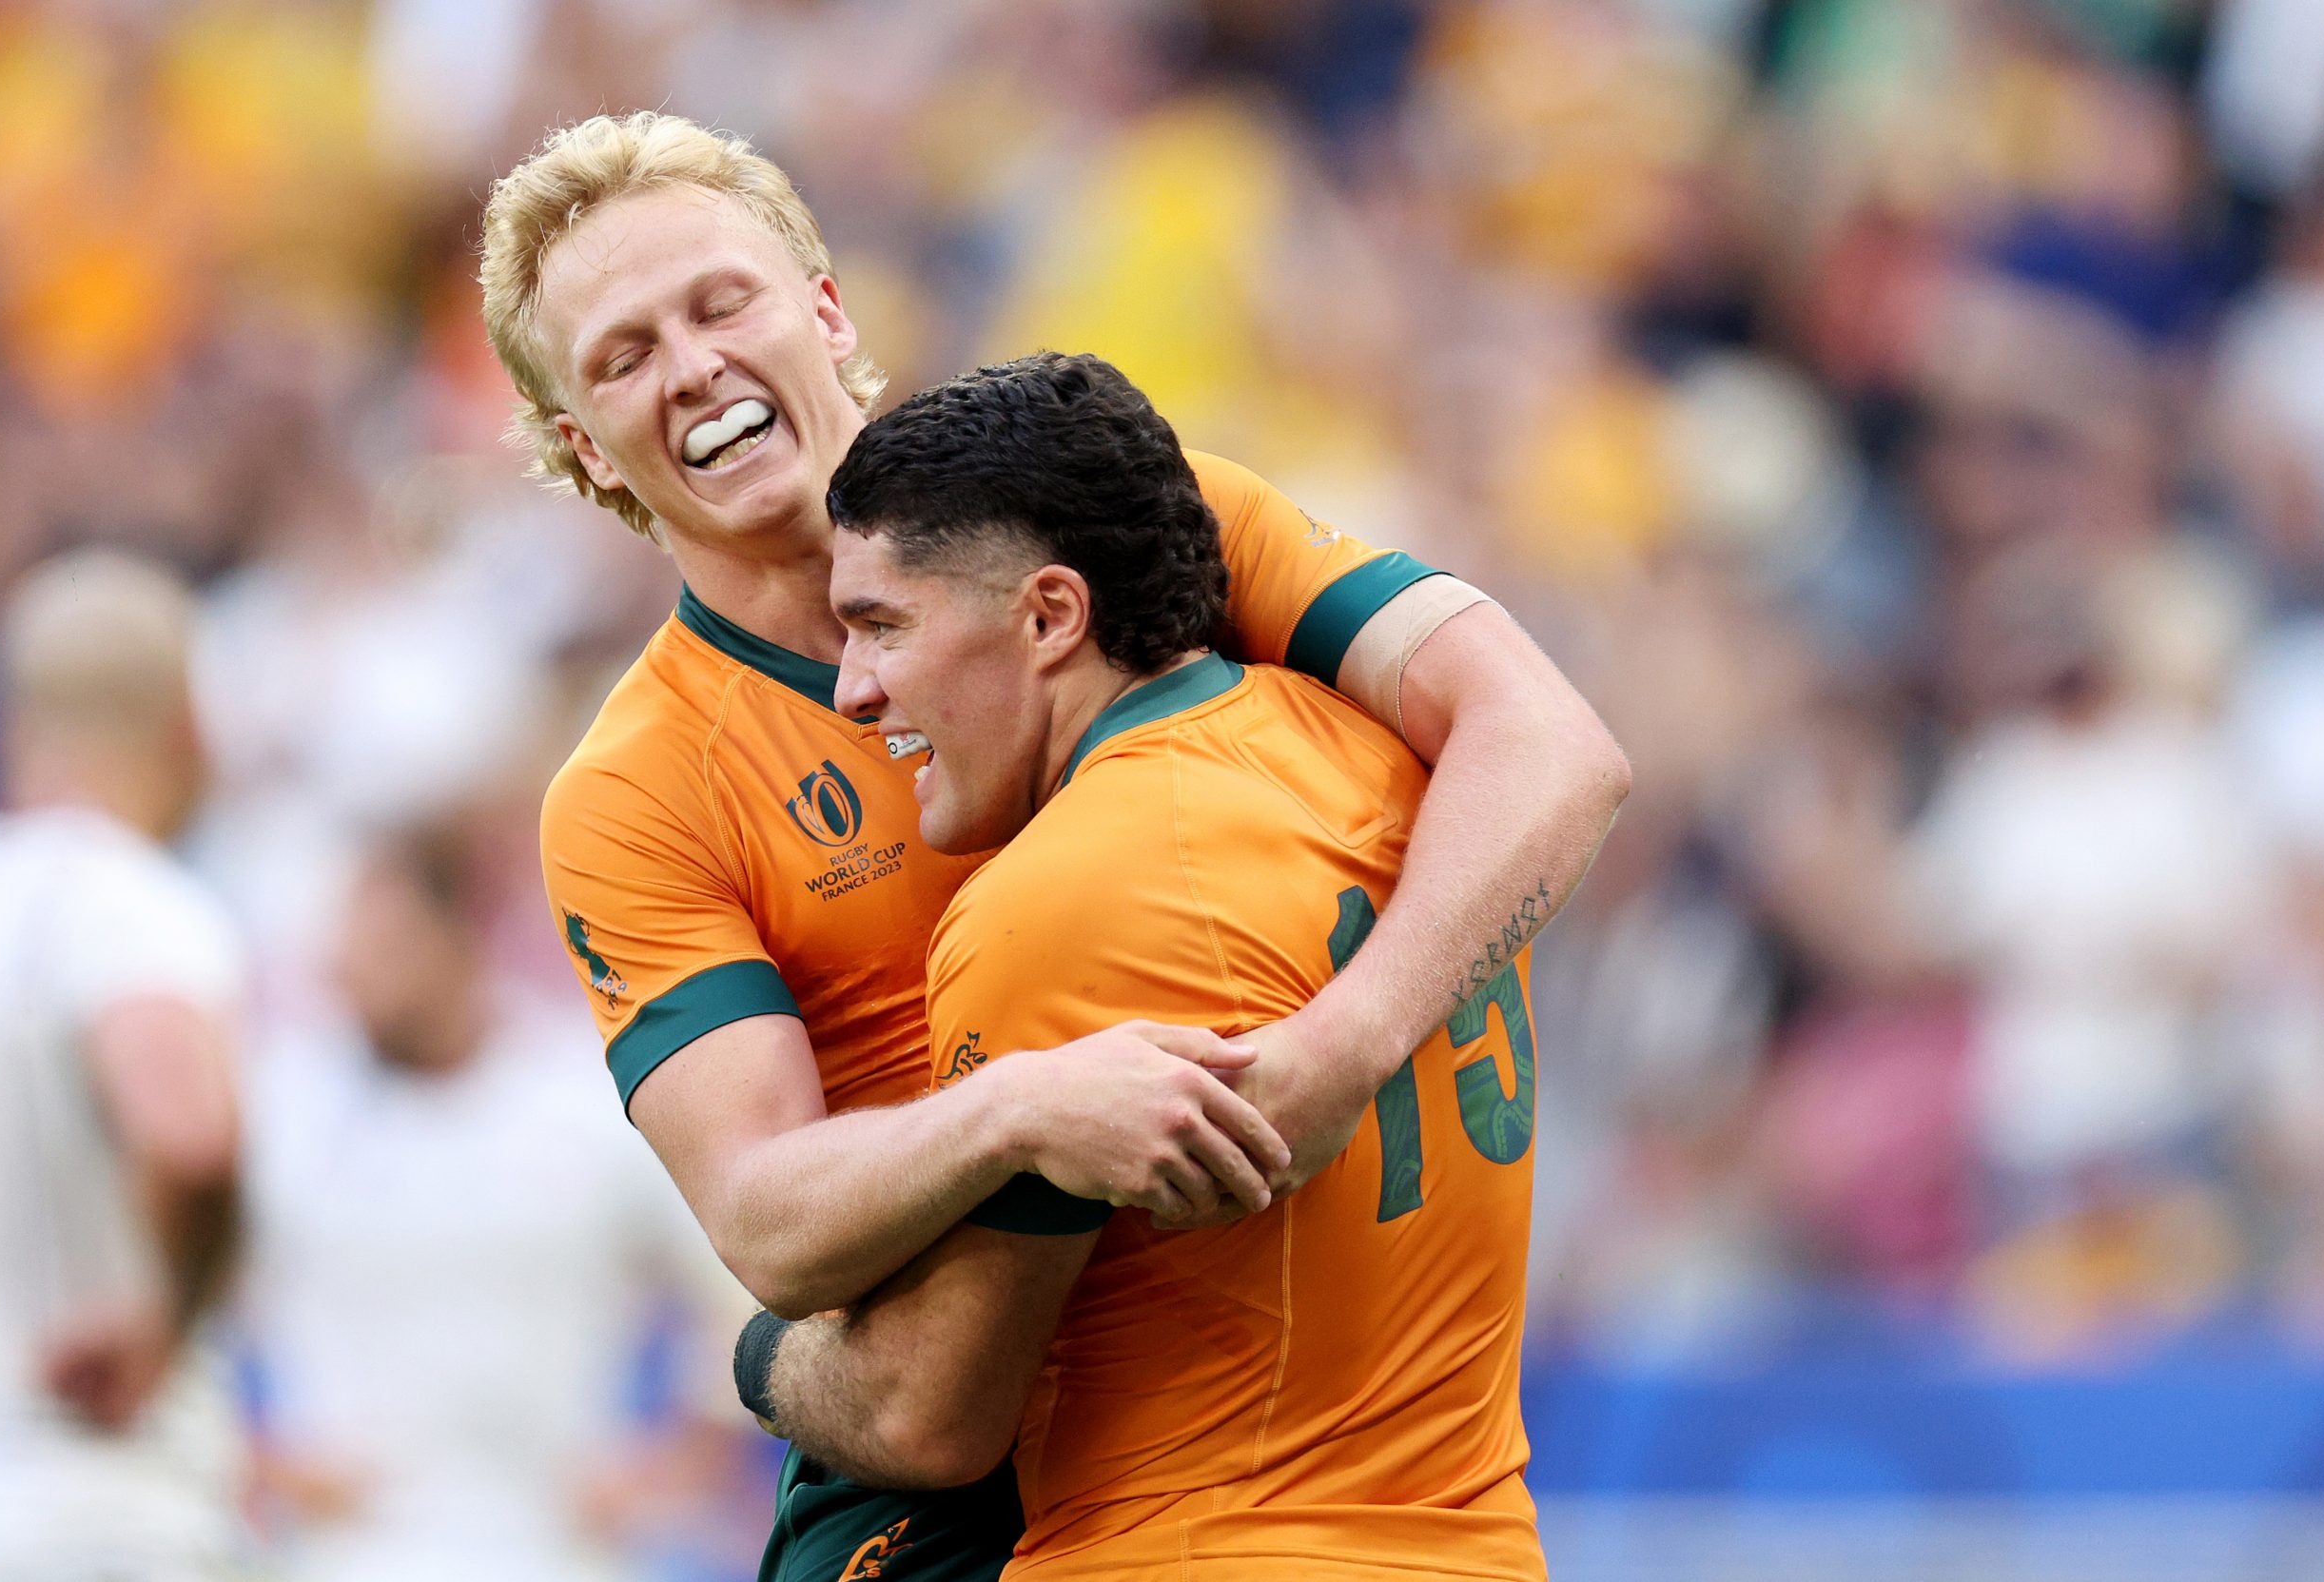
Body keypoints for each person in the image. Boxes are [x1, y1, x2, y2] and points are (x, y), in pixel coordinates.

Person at [476, 111, 1625, 1578]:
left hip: (1266, 1404)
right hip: (952, 1466)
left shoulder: (1124, 503)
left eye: (720, 301)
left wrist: (1346, 1042)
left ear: (826, 309)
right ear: (587, 447)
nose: (692, 365)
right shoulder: (635, 788)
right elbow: (769, 1214)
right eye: (624, 354)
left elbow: (1551, 743)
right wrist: (1026, 1109)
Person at [752, 351, 1545, 1579]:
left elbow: (928, 1409)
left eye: (882, 624)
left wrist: (759, 1354)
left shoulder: (1053, 897)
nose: (854, 688)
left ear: (1052, 615)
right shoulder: (1416, 777)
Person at [241, 822, 763, 1582]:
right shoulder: (281, 1112)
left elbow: (742, 1283)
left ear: (463, 935)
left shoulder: (585, 1104)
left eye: (388, 943)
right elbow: (174, 1306)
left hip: (554, 1552)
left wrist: (682, 1458)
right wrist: (254, 1458)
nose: (354, 969)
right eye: (348, 943)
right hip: (341, 1554)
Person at [0, 551, 251, 1580]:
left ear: (10, 723)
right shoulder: (131, 898)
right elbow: (187, 1134)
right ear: (188, 727)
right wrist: (161, 1320)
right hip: (111, 1505)